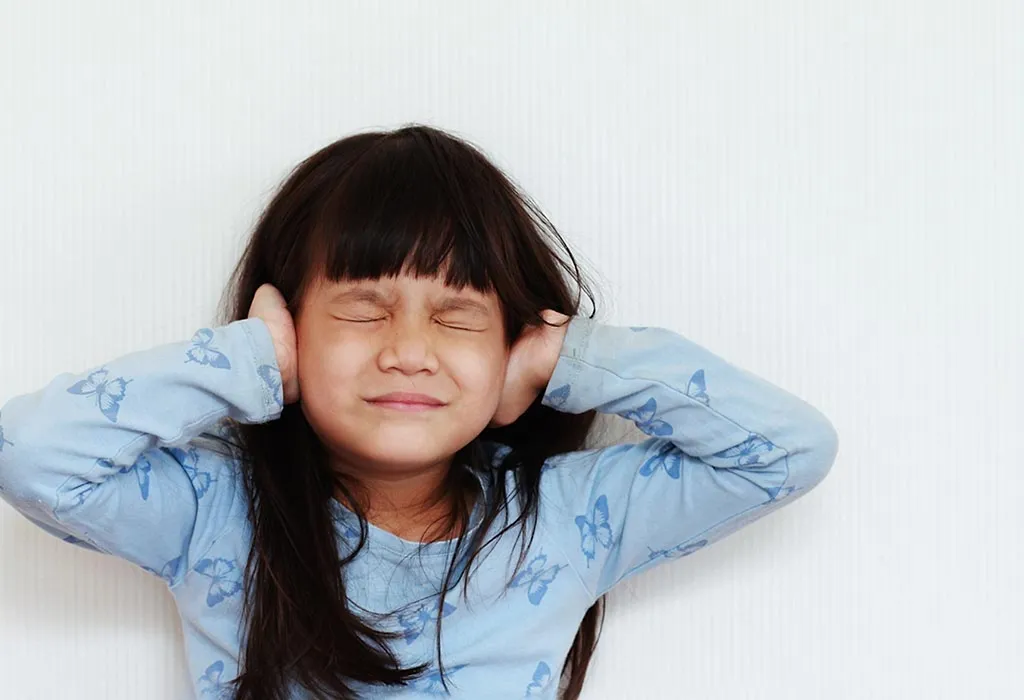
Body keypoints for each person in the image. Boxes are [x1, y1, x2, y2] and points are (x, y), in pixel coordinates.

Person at [0, 124, 839, 699]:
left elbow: (787, 450)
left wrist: (567, 359)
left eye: (456, 315)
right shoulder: (214, 512)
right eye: (363, 310)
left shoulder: (571, 517)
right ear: (291, 325)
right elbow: (32, 454)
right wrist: (249, 362)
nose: (409, 349)